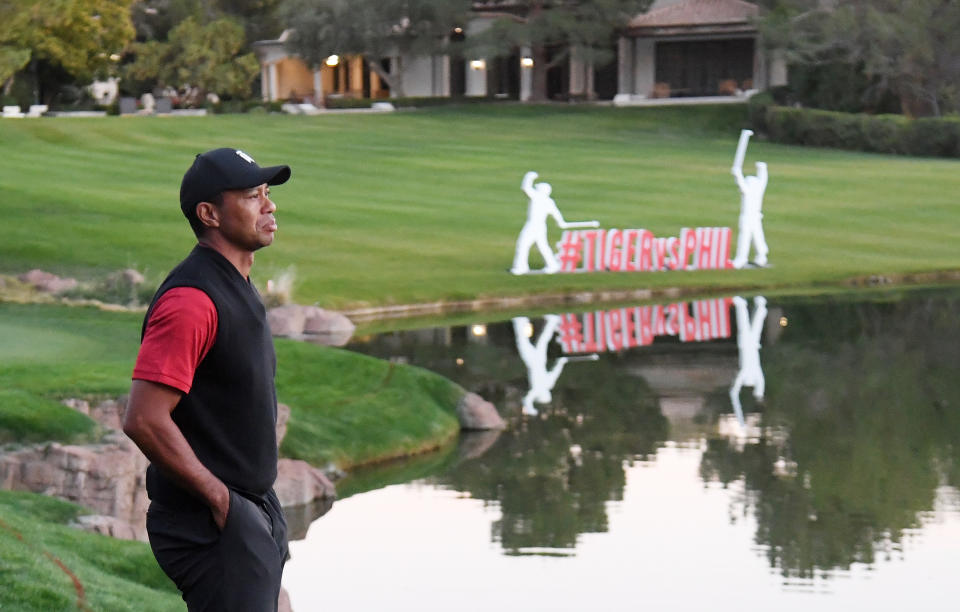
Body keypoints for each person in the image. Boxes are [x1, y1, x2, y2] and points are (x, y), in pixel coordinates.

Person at [123, 148, 291, 612]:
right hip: (210, 521)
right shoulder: (192, 300)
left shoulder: (235, 282)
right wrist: (221, 501)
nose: (269, 205)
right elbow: (144, 419)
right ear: (209, 214)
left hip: (250, 508)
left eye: (268, 194)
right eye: (253, 195)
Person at [731, 129, 770, 269]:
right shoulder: (757, 189)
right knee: (756, 236)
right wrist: (761, 168)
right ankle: (761, 255)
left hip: (750, 217)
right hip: (753, 216)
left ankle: (744, 258)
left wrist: (737, 174)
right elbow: (763, 178)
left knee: (747, 236)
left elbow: (743, 182)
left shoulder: (751, 190)